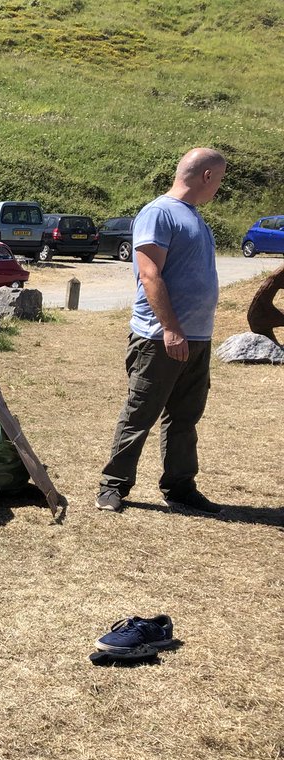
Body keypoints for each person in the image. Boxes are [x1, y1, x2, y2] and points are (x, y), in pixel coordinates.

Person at [96, 147, 227, 515]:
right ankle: (113, 486)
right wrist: (170, 328)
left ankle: (180, 487)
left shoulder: (194, 218)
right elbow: (149, 274)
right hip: (160, 338)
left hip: (197, 338)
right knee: (140, 413)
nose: (219, 187)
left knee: (185, 418)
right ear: (205, 177)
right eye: (219, 179)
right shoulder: (159, 213)